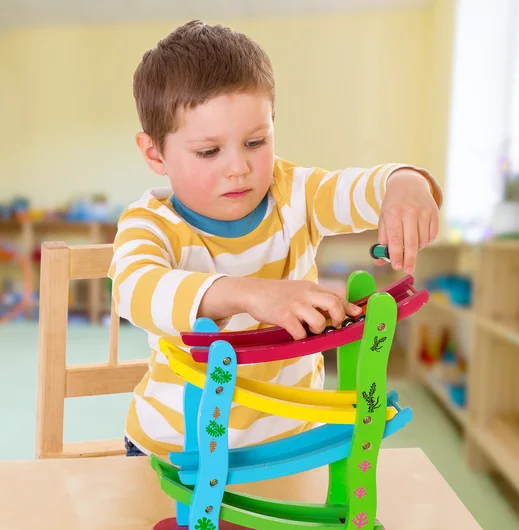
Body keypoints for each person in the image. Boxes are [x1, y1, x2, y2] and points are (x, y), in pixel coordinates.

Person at [109, 20, 442, 457]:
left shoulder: (295, 193)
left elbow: (364, 189)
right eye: (209, 151)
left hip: (292, 443)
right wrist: (250, 294)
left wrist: (407, 183)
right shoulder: (148, 223)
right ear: (155, 153)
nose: (238, 168)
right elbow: (135, 291)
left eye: (255, 141)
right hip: (175, 452)